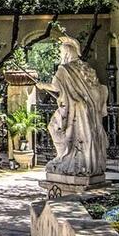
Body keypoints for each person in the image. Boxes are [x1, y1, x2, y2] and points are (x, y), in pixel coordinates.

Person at [47, 36, 108, 177]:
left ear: (66, 53)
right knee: (86, 136)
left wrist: (41, 85)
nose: (61, 55)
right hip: (89, 110)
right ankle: (87, 162)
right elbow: (98, 90)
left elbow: (55, 87)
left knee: (54, 127)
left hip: (73, 109)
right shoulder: (86, 68)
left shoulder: (64, 69)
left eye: (61, 52)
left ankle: (64, 157)